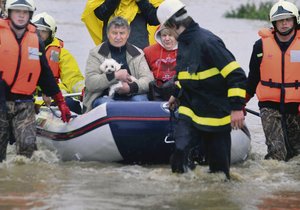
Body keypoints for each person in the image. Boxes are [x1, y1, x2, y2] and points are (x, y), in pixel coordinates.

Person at [157, 0, 247, 179]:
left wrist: (237, 108)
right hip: (190, 107)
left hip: (215, 113)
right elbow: (186, 74)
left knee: (219, 174)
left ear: (173, 24)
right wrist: (175, 94)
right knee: (180, 153)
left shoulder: (208, 42)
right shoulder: (184, 42)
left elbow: (236, 74)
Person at [0, 0, 71, 162]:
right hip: (1, 103)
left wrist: (60, 102)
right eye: (17, 11)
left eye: (25, 12)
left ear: (30, 15)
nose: (21, 15)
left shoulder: (35, 39)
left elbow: (44, 73)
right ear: (9, 13)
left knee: (27, 151)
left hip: (24, 104)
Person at [246, 0, 300, 161]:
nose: (284, 24)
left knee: (296, 153)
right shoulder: (260, 46)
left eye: (288, 19)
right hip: (269, 107)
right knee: (277, 153)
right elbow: (253, 77)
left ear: (295, 21)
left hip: (296, 107)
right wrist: (239, 104)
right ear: (273, 23)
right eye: (280, 20)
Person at [82, 16, 154, 113]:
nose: (118, 37)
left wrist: (130, 88)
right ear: (108, 34)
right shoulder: (96, 53)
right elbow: (90, 82)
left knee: (140, 101)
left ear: (128, 34)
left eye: (122, 33)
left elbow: (148, 79)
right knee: (109, 106)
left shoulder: (137, 53)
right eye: (114, 33)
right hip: (103, 97)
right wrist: (115, 76)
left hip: (132, 95)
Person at [32, 12, 85, 114]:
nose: (40, 34)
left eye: (44, 31)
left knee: (74, 105)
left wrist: (84, 89)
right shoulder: (24, 50)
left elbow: (73, 78)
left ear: (51, 33)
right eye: (37, 31)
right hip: (31, 100)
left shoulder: (61, 53)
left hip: (55, 98)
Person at [81, 0, 163, 49]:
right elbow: (101, 14)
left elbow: (155, 19)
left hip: (138, 48)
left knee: (138, 76)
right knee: (109, 76)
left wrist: (140, 1)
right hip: (110, 48)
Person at [144, 25, 177, 101]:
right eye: (164, 35)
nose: (167, 38)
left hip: (177, 92)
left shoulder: (185, 51)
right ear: (159, 36)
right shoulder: (148, 51)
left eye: (170, 35)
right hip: (156, 92)